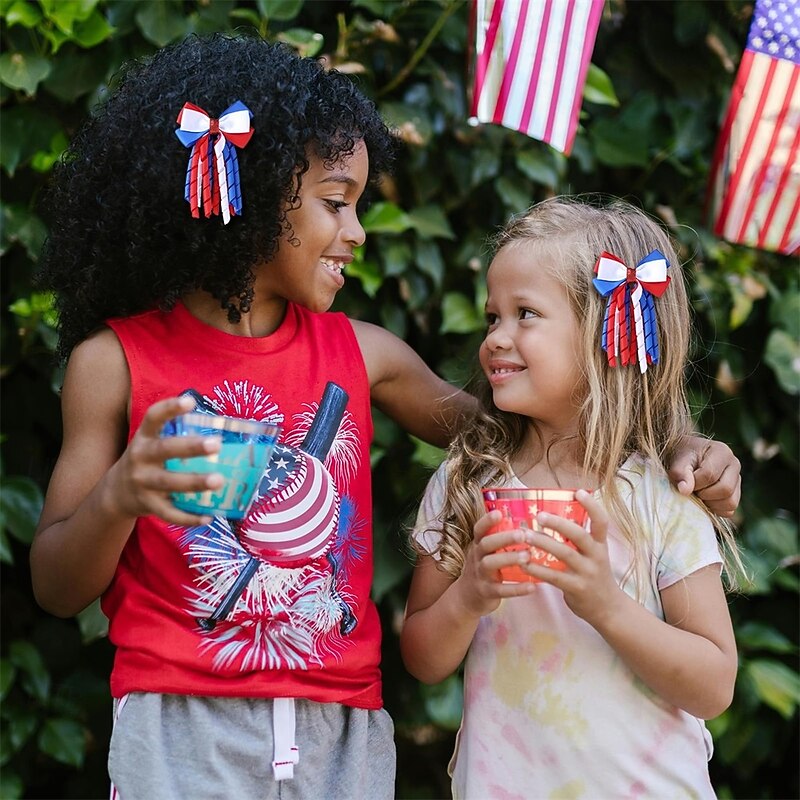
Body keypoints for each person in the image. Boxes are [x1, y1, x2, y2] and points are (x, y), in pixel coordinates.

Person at [29, 30, 739, 800]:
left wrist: (677, 443)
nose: (358, 230)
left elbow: (537, 432)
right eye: (337, 202)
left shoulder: (368, 358)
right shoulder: (113, 365)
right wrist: (122, 495)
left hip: (341, 732)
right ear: (253, 187)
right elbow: (57, 587)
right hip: (178, 723)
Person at [400, 197, 743, 799]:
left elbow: (713, 685)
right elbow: (423, 658)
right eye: (491, 317)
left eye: (525, 314)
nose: (497, 338)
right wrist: (470, 594)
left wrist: (607, 606)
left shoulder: (664, 491)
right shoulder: (467, 481)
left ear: (606, 330)